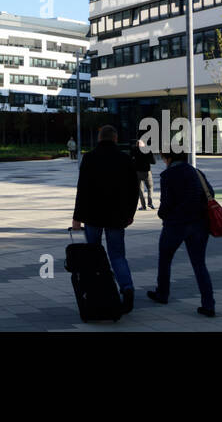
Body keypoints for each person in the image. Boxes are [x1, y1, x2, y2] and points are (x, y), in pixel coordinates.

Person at [69, 125, 140, 314]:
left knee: (93, 254)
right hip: (117, 217)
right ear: (115, 139)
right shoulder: (125, 159)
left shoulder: (89, 158)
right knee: (117, 255)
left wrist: (77, 218)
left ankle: (95, 290)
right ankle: (127, 288)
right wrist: (130, 214)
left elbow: (81, 189)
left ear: (99, 138)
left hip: (92, 216)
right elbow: (134, 190)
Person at [147, 148, 216, 317]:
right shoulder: (196, 172)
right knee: (199, 264)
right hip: (200, 224)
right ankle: (208, 305)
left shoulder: (168, 175)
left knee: (165, 258)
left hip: (175, 225)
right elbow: (211, 194)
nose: (163, 160)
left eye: (164, 157)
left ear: (169, 158)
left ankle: (162, 293)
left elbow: (166, 203)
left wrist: (162, 214)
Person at [132, 137, 155, 210]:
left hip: (137, 172)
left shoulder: (134, 150)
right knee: (150, 188)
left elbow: (130, 160)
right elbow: (153, 162)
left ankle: (143, 205)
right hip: (147, 172)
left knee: (140, 190)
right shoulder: (147, 150)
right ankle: (150, 203)